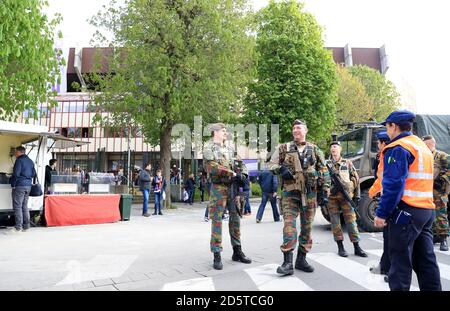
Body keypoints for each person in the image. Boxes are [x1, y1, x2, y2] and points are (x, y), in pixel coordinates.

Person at [374, 110, 441, 291]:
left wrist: (382, 213)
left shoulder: (398, 147)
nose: (386, 132)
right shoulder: (421, 146)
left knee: (400, 265)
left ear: (393, 126)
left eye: (387, 127)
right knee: (426, 262)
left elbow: (394, 185)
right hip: (426, 211)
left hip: (406, 212)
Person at [268, 119, 330, 275]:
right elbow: (271, 165)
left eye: (299, 128)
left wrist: (325, 191)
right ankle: (287, 262)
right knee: (289, 227)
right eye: (294, 128)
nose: (296, 130)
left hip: (310, 194)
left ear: (305, 130)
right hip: (290, 194)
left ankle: (301, 259)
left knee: (307, 228)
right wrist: (280, 169)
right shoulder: (283, 148)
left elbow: (324, 171)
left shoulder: (315, 149)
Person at [204, 123, 252, 270]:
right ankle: (217, 254)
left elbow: (241, 164)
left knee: (235, 218)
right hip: (218, 188)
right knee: (217, 220)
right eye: (223, 131)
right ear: (215, 132)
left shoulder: (230, 149)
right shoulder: (208, 148)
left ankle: (237, 251)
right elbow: (212, 167)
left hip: (233, 188)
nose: (225, 133)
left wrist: (243, 175)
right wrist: (233, 174)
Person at [325, 141, 367, 258]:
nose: (333, 149)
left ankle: (357, 247)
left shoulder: (347, 163)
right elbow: (321, 180)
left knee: (351, 222)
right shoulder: (325, 164)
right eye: (332, 147)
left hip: (346, 197)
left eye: (336, 147)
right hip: (332, 198)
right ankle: (340, 247)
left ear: (340, 149)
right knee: (335, 222)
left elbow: (356, 179)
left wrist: (357, 196)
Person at [368, 131, 391, 279]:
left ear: (383, 143)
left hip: (391, 201)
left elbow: (385, 180)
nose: (377, 145)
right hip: (386, 198)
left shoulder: (389, 156)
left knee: (391, 239)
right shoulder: (381, 156)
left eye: (378, 143)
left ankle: (391, 270)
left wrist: (371, 192)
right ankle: (385, 266)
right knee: (387, 237)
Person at [423, 135, 450, 251]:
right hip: (426, 190)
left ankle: (444, 238)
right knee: (430, 214)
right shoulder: (424, 156)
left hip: (439, 191)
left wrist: (442, 179)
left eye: (424, 143)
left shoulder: (442, 156)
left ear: (429, 144)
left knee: (440, 214)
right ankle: (435, 236)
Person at [10, 146, 36, 233]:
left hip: (19, 186)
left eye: (16, 152)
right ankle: (26, 227)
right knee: (24, 206)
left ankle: (18, 227)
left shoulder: (19, 160)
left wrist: (13, 184)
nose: (15, 154)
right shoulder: (30, 161)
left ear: (19, 152)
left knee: (17, 206)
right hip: (28, 186)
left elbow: (16, 174)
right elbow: (33, 174)